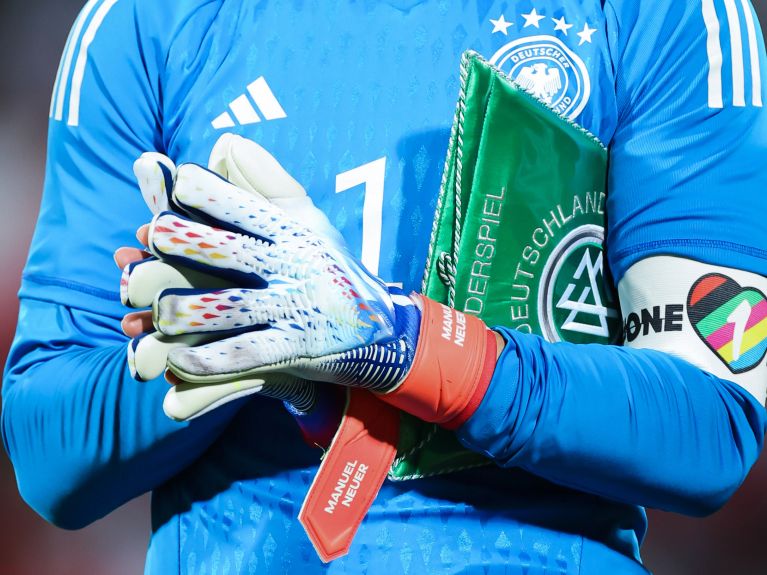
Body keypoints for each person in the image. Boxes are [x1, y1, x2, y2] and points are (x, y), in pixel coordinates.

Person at [3, 0, 766, 573]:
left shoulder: (664, 14)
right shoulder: (146, 21)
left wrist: (403, 346)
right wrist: (239, 335)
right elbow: (49, 451)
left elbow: (710, 422)